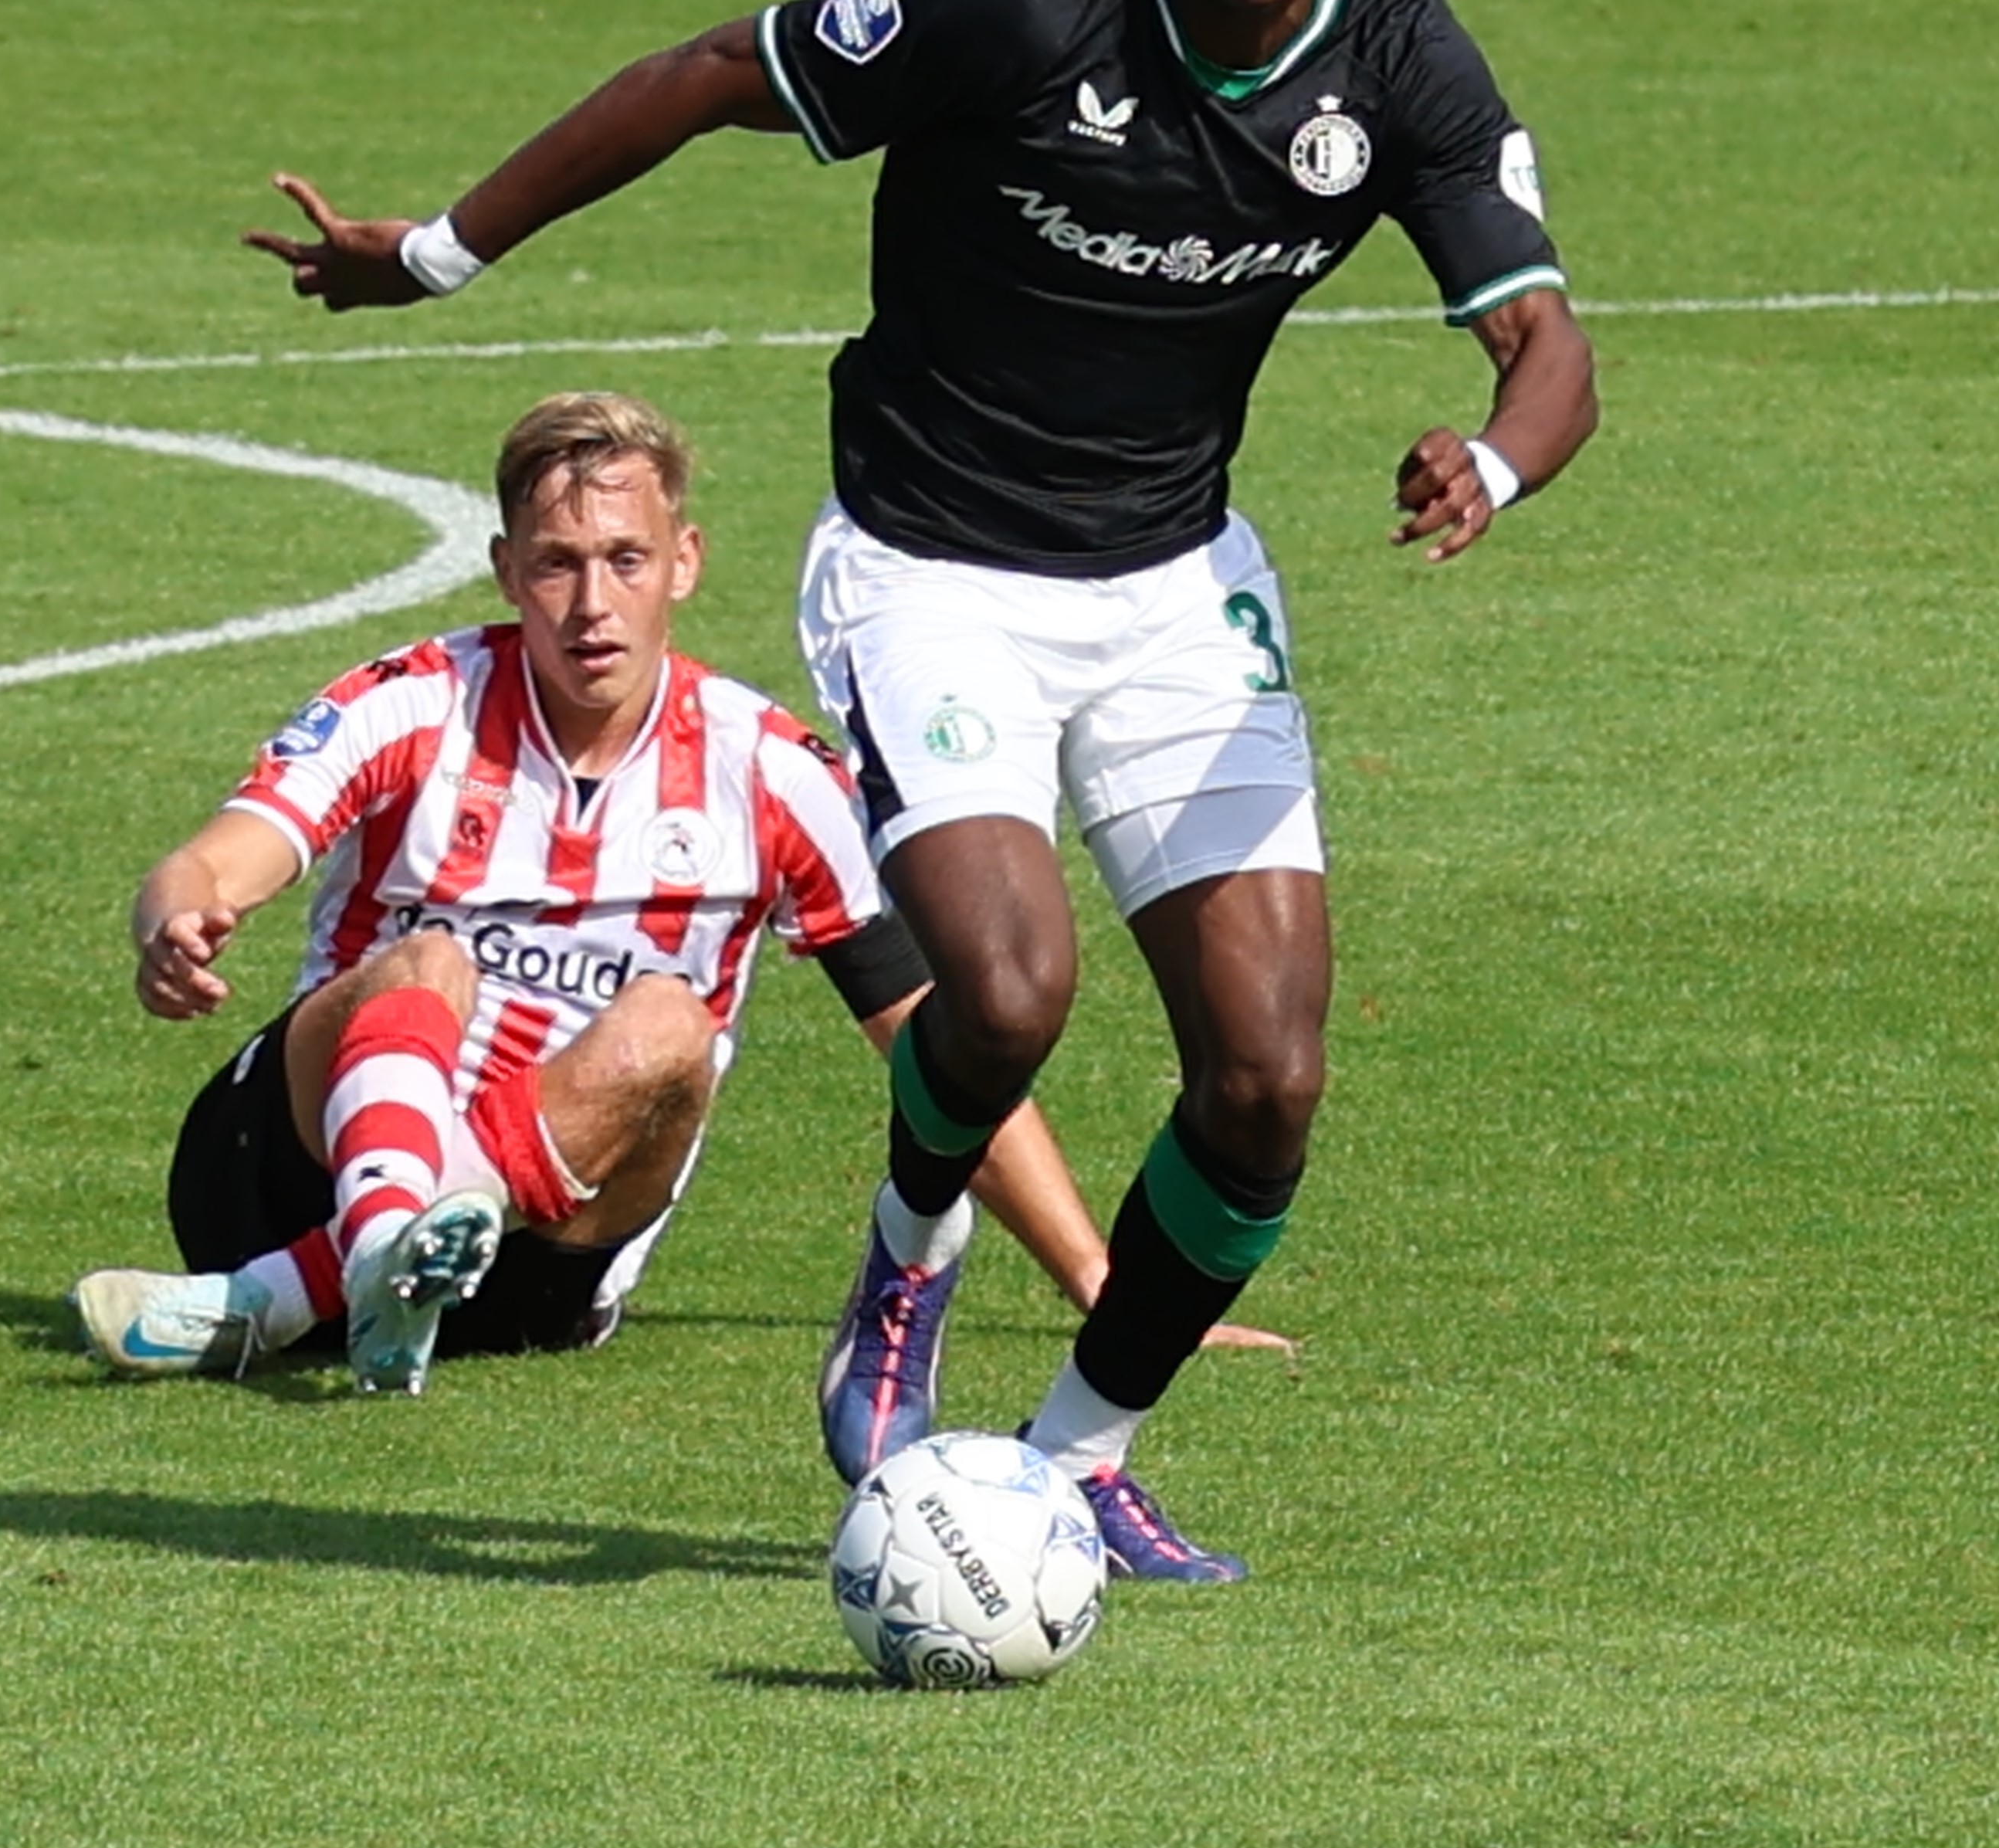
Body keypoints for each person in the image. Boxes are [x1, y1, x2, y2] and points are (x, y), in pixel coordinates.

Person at [245, 0, 1596, 1574]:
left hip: (1171, 585)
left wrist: (1490, 457)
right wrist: (442, 251)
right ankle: (904, 1266)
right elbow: (716, 70)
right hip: (930, 568)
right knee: (1008, 987)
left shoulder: (1394, 52)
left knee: (1267, 1079)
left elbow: (1548, 342)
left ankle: (1075, 1456)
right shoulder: (1022, 6)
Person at [70, 390, 1256, 1388]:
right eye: (556, 564)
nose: (591, 604)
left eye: (624, 560)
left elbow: (941, 1046)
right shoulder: (414, 698)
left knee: (665, 1028)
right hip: (282, 1174)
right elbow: (221, 854)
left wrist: (1103, 1282)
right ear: (506, 570)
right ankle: (363, 1252)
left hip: (544, 1260)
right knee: (427, 961)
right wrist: (170, 918)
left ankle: (296, 1298)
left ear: (681, 561)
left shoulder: (771, 771)